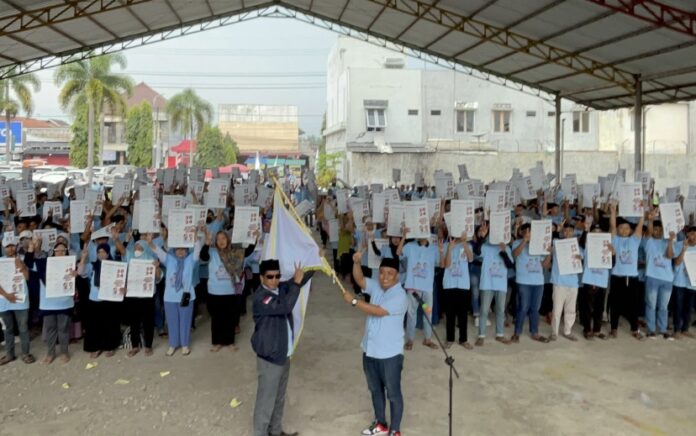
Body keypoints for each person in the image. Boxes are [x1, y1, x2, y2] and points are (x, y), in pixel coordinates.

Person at [344, 253, 408, 436]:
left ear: (397, 275)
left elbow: (378, 311)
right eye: (381, 272)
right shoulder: (378, 287)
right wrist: (356, 262)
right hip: (370, 350)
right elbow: (360, 279)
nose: (385, 276)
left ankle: (395, 430)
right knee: (375, 390)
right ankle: (381, 424)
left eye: (390, 273)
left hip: (390, 355)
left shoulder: (400, 296)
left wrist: (354, 301)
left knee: (393, 394)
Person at [251, 259, 308, 436]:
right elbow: (284, 306)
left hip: (284, 354)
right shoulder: (261, 297)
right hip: (270, 356)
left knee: (279, 397)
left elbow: (299, 279)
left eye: (277, 276)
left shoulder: (280, 288)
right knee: (266, 400)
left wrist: (316, 258)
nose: (274, 280)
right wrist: (297, 283)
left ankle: (275, 431)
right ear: (261, 278)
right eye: (270, 277)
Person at [200, 229, 257, 352]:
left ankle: (230, 341)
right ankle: (217, 342)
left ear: (228, 240)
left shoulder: (235, 252)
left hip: (230, 291)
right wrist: (206, 243)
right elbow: (203, 256)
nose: (221, 241)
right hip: (214, 291)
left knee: (230, 318)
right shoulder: (212, 252)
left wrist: (254, 239)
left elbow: (247, 252)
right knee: (216, 318)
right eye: (218, 239)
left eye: (223, 238)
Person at [0, 237, 34, 365]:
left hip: (21, 299)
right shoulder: (0, 261)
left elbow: (27, 278)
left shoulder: (23, 259)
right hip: (3, 300)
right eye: (8, 246)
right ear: (3, 247)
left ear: (16, 246)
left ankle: (26, 353)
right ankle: (10, 354)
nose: (10, 248)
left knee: (23, 328)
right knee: (7, 328)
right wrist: (6, 295)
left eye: (13, 245)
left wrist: (23, 267)